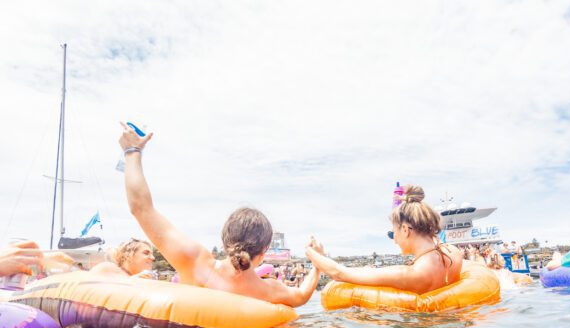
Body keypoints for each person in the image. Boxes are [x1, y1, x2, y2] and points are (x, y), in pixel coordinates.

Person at [117, 123, 320, 307]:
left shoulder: (196, 262)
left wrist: (132, 151)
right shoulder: (271, 290)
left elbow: (140, 208)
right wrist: (317, 262)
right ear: (265, 249)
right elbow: (302, 295)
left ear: (225, 239)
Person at [305, 185, 462, 293]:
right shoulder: (454, 254)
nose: (394, 241)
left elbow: (339, 274)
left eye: (393, 234)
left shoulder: (411, 273)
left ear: (406, 230)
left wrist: (311, 252)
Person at [91, 238, 156, 278]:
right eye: (146, 253)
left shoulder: (144, 282)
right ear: (127, 255)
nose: (153, 258)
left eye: (152, 254)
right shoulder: (106, 268)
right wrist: (133, 281)